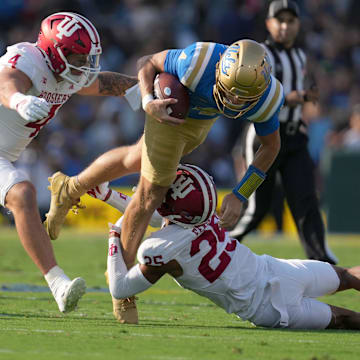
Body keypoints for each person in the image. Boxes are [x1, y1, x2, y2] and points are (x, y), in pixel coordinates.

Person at [45, 38, 284, 321]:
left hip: (200, 120)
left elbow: (271, 146)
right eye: (230, 92)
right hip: (171, 109)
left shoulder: (269, 97)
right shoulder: (198, 60)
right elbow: (146, 62)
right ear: (220, 70)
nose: (233, 102)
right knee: (151, 193)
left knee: (135, 158)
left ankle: (69, 188)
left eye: (242, 98)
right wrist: (149, 101)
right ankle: (121, 286)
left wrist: (241, 193)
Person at [100, 164, 360, 330]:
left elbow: (120, 286)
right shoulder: (204, 212)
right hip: (278, 270)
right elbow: (155, 214)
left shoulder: (163, 249)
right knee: (347, 275)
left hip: (267, 309)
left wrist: (115, 236)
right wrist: (108, 195)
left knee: (346, 319)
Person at [0, 12, 138, 313]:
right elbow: (5, 82)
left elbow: (102, 84)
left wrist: (143, 90)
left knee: (22, 193)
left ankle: (58, 284)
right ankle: (58, 284)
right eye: (77, 55)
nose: (84, 63)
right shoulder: (28, 59)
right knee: (22, 193)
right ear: (53, 51)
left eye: (87, 56)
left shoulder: (65, 74)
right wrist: (20, 100)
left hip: (3, 155)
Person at [229, 0, 338, 264]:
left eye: (291, 21)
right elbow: (258, 95)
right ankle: (220, 246)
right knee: (256, 207)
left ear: (298, 25)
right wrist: (294, 97)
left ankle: (321, 259)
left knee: (306, 201)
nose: (285, 26)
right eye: (280, 20)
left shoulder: (300, 55)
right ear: (268, 23)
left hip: (293, 137)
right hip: (263, 137)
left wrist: (300, 112)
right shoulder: (259, 54)